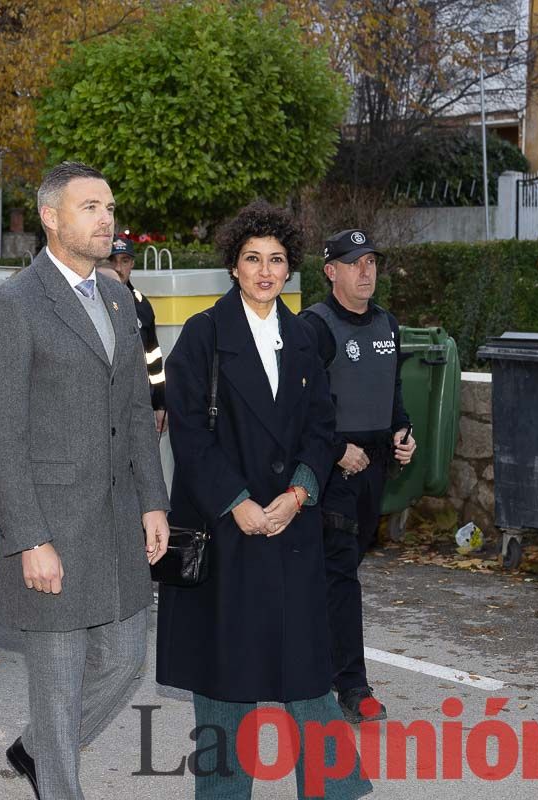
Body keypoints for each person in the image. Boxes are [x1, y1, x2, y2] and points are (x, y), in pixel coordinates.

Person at [157, 201, 371, 800]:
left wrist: (302, 488)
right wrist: (239, 503)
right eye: (252, 258)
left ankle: (334, 790)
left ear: (289, 270)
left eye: (276, 260)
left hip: (292, 528)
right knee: (226, 686)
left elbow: (321, 426)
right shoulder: (204, 334)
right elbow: (190, 433)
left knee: (307, 679)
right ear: (234, 267)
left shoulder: (304, 336)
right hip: (227, 533)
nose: (265, 270)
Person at [0, 161, 170, 800]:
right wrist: (29, 537)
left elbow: (138, 409)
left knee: (124, 660)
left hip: (116, 525)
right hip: (53, 525)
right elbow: (1, 437)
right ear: (52, 218)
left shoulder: (118, 297)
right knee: (57, 683)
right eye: (90, 207)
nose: (106, 218)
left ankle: (35, 750)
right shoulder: (14, 306)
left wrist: (153, 502)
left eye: (109, 206)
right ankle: (57, 780)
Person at [300, 228, 415, 724]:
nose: (366, 271)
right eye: (354, 262)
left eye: (371, 261)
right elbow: (299, 408)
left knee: (333, 576)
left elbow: (392, 394)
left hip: (374, 469)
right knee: (340, 576)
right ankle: (351, 686)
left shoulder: (387, 324)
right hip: (334, 472)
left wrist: (402, 432)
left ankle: (309, 666)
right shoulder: (315, 327)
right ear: (331, 271)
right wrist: (334, 450)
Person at [107, 236, 166, 432]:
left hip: (137, 407)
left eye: (124, 261)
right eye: (112, 260)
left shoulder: (141, 305)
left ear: (132, 264)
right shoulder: (91, 301)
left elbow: (153, 357)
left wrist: (160, 404)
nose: (118, 267)